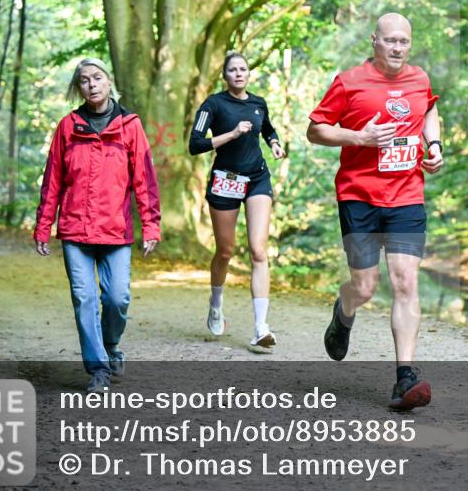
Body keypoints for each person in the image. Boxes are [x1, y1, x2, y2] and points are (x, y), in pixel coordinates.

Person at [307, 13, 444, 411]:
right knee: (364, 287)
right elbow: (316, 129)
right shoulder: (349, 81)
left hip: (406, 196)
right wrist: (359, 137)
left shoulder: (419, 78)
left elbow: (430, 110)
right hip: (359, 197)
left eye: (404, 41)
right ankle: (344, 309)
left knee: (405, 283)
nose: (398, 48)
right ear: (375, 41)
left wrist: (433, 146)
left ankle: (405, 377)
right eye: (390, 41)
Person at [34, 58, 161, 393]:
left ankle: (110, 343)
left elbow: (144, 179)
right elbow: (53, 181)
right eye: (84, 80)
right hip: (76, 229)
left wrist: (151, 226)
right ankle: (98, 368)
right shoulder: (67, 126)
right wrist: (43, 225)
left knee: (118, 298)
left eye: (98, 78)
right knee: (84, 298)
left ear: (108, 83)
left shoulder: (130, 125)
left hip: (116, 230)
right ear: (79, 88)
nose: (91, 84)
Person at [189, 51, 286, 350]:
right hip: (225, 181)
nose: (239, 74)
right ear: (225, 75)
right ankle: (216, 302)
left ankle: (260, 327)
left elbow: (267, 127)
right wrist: (231, 134)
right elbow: (195, 144)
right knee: (225, 251)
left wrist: (274, 143)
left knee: (259, 251)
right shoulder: (213, 105)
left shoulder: (258, 103)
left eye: (243, 69)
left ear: (248, 73)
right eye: (233, 70)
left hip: (257, 178)